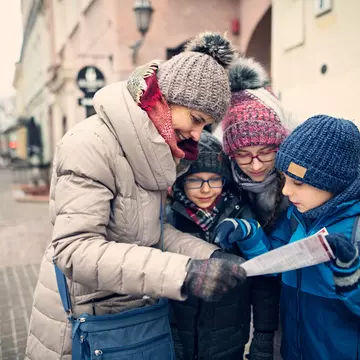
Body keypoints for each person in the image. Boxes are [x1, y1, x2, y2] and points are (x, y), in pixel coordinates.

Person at [25, 32, 247, 360]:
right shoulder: (91, 144)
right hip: (85, 329)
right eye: (196, 120)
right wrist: (185, 273)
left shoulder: (158, 150)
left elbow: (149, 232)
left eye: (207, 126)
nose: (197, 135)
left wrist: (209, 256)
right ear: (166, 98)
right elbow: (74, 252)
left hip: (131, 321)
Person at [214, 115, 360, 360]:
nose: (285, 191)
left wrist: (349, 277)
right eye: (285, 179)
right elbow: (276, 262)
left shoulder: (355, 229)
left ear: (333, 183)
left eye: (298, 183)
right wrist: (248, 233)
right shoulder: (295, 216)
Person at [167, 130, 283, 360]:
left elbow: (263, 283)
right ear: (181, 181)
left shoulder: (241, 215)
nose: (206, 189)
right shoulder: (170, 219)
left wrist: (263, 336)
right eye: (195, 180)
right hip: (178, 337)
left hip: (229, 340)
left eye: (214, 179)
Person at [216, 57, 290, 359]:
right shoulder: (222, 186)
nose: (256, 165)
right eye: (244, 155)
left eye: (265, 152)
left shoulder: (297, 183)